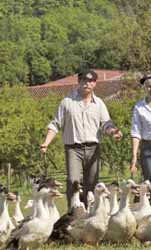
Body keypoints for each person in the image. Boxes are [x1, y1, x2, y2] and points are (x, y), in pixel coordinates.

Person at [40, 70, 122, 208]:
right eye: (84, 80)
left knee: (91, 184)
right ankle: (73, 212)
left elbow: (106, 124)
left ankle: (89, 212)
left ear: (95, 84)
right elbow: (55, 124)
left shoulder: (100, 104)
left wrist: (113, 132)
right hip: (73, 148)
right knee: (73, 181)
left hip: (93, 148)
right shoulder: (67, 102)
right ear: (79, 82)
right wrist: (46, 143)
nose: (87, 83)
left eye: (90, 81)